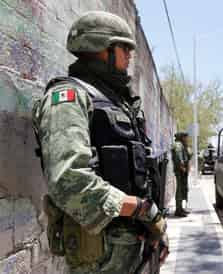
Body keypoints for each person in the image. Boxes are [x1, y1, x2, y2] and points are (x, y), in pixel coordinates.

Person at [32, 11, 168, 274]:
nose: (130, 55)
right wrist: (142, 210)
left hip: (134, 244)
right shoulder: (69, 98)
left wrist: (156, 228)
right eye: (124, 47)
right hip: (99, 252)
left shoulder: (120, 102)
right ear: (102, 49)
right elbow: (69, 182)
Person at [171, 132, 191, 217]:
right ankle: (178, 210)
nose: (187, 139)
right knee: (179, 191)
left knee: (183, 190)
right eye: (185, 137)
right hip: (180, 171)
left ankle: (181, 209)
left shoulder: (182, 144)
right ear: (181, 137)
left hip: (183, 171)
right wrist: (182, 167)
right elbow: (178, 157)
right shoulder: (178, 145)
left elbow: (188, 155)